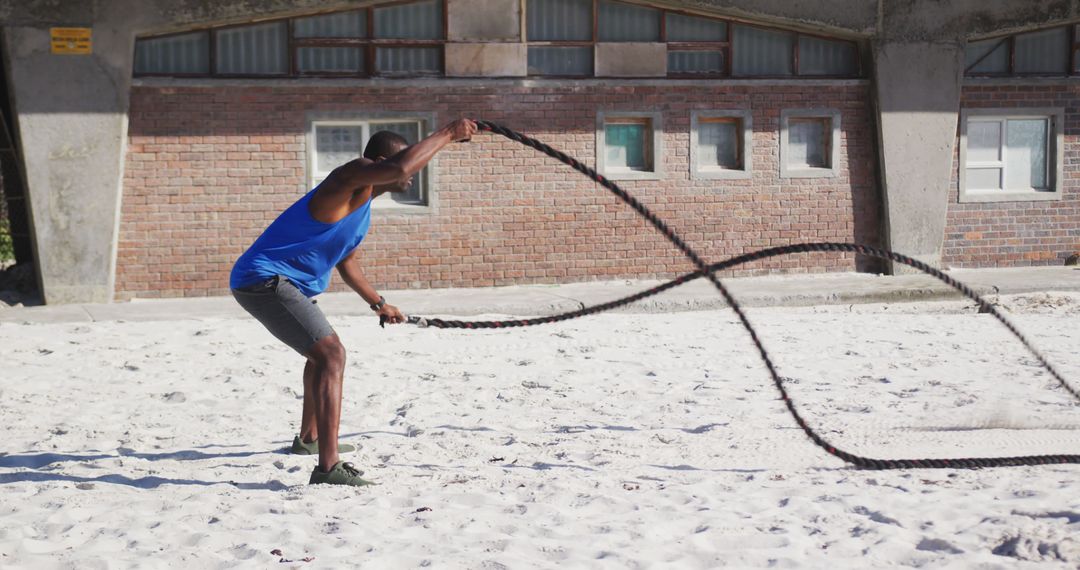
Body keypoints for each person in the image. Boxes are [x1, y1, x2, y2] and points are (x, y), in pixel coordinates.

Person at [230, 118, 478, 486]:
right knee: (332, 355)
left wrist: (380, 304)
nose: (412, 172)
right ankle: (328, 469)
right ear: (377, 162)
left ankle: (309, 440)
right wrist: (447, 133)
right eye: (406, 161)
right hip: (263, 279)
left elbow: (347, 263)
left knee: (319, 356)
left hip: (284, 284)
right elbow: (399, 167)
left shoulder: (360, 210)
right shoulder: (350, 175)